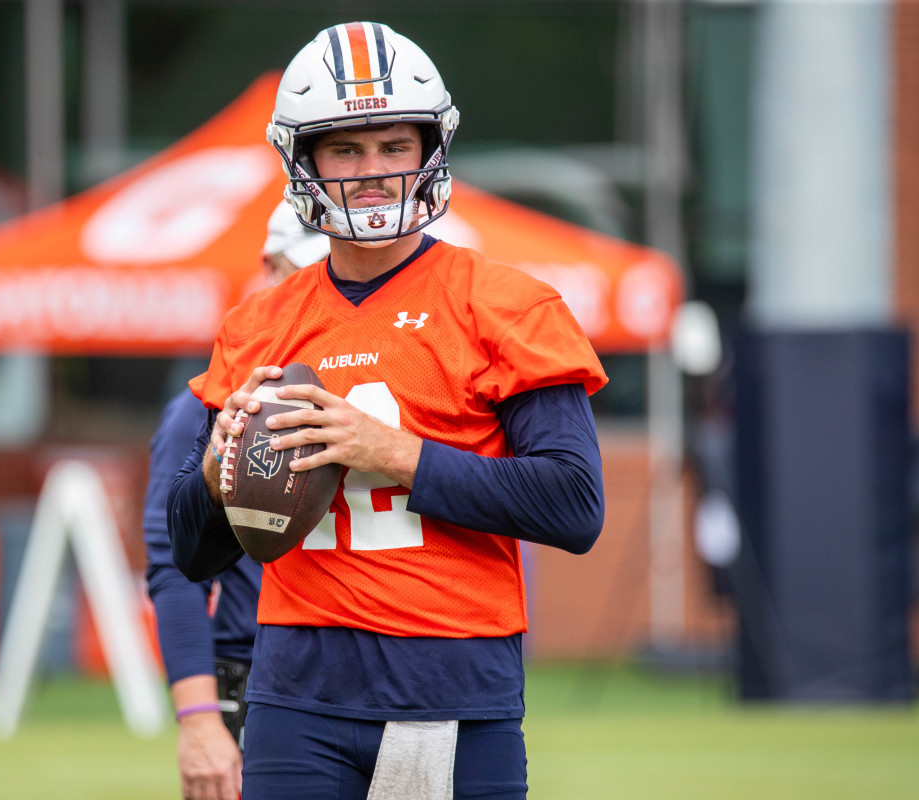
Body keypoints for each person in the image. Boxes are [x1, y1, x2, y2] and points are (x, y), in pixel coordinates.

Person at [167, 22, 608, 800]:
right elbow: (196, 553)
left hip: (453, 682)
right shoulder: (259, 324)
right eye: (345, 150)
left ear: (429, 151)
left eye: (393, 147)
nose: (371, 172)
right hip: (297, 690)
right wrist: (210, 477)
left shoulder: (506, 303)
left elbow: (574, 506)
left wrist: (397, 452)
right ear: (303, 162)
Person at [144, 201, 330, 800]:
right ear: (268, 268)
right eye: (298, 271)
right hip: (252, 672)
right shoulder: (209, 404)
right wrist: (198, 719)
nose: (312, 291)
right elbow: (174, 571)